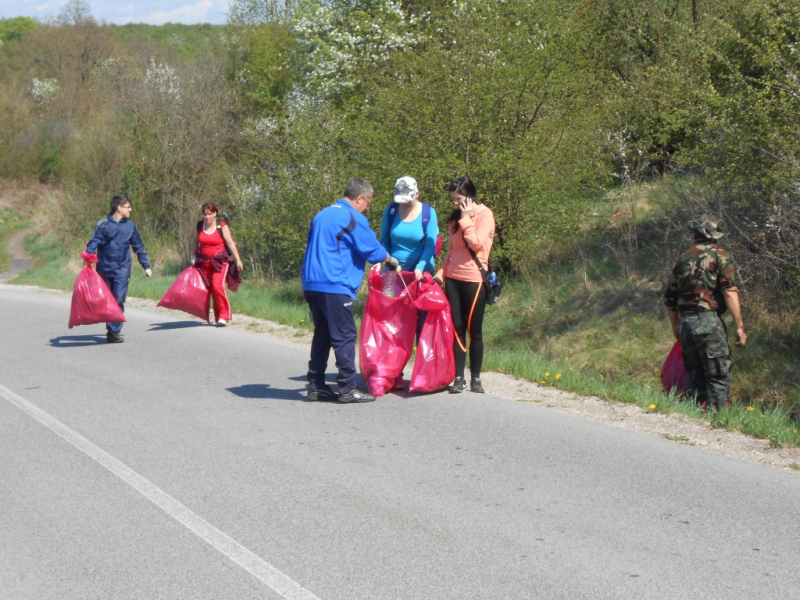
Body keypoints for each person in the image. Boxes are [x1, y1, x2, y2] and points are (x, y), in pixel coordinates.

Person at [301, 178, 400, 404]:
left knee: (323, 334)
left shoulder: (322, 214)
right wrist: (389, 259)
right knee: (345, 335)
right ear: (360, 198)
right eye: (368, 202)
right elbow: (370, 249)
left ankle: (316, 385)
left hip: (311, 283)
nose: (368, 207)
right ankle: (347, 387)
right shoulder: (352, 217)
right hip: (334, 284)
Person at [664, 214, 747, 411]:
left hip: (685, 324)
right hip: (708, 323)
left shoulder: (682, 259)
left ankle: (695, 422)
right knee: (718, 376)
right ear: (714, 236)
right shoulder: (720, 255)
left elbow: (670, 300)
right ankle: (717, 421)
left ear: (695, 234)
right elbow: (729, 292)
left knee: (696, 375)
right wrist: (739, 327)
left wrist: (677, 329)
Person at [434, 176, 495, 394]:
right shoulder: (455, 218)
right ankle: (459, 377)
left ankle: (476, 378)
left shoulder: (484, 214)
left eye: (457, 199)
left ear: (469, 197)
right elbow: (453, 251)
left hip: (474, 279)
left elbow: (476, 244)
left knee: (474, 330)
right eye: (452, 199)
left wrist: (467, 219)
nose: (455, 203)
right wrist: (440, 274)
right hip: (453, 278)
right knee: (457, 330)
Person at [379, 175, 439, 390]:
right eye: (400, 199)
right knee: (393, 326)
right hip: (393, 275)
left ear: (417, 194)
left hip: (420, 277)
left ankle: (424, 376)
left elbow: (430, 244)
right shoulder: (391, 211)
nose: (403, 203)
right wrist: (384, 260)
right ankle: (393, 374)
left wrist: (421, 267)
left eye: (407, 199)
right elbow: (384, 239)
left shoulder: (427, 213)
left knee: (422, 327)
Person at [85, 195, 151, 344]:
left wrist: (145, 265)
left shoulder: (130, 226)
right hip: (105, 268)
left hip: (122, 269)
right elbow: (93, 243)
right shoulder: (103, 225)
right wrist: (87, 259)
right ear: (119, 208)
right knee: (107, 300)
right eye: (128, 207)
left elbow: (138, 247)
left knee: (118, 299)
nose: (130, 209)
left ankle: (114, 331)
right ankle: (111, 328)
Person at [190, 202, 244, 327]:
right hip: (204, 262)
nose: (207, 217)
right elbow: (194, 241)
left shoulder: (222, 227)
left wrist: (238, 260)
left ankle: (224, 316)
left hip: (220, 262)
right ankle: (218, 317)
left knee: (218, 286)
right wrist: (193, 256)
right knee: (210, 289)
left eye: (209, 214)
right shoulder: (199, 226)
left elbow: (230, 244)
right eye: (205, 214)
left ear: (215, 213)